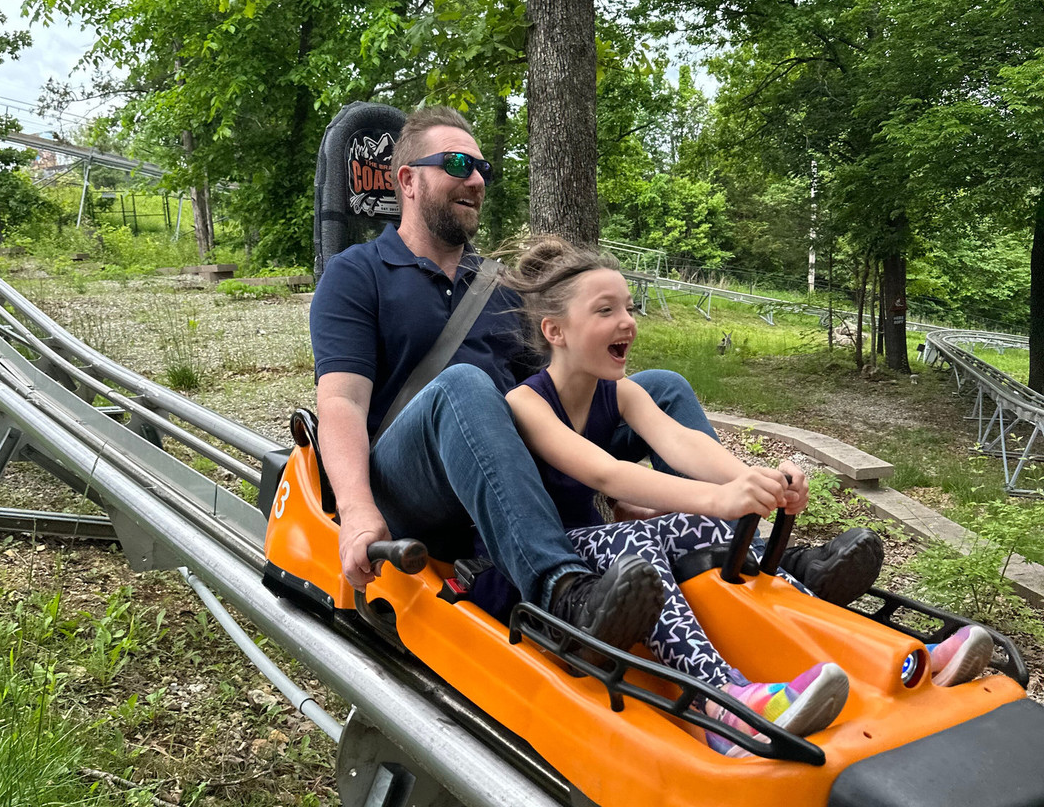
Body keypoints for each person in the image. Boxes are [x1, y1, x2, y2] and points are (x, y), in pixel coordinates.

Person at [309, 105, 882, 658]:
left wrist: (624, 490)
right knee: (465, 386)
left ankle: (753, 549)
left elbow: (552, 394)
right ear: (407, 180)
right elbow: (341, 401)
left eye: (483, 168)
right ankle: (564, 591)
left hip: (501, 464)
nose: (476, 179)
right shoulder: (357, 274)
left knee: (660, 386)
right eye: (458, 165)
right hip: (414, 482)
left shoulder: (500, 287)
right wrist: (358, 511)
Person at [502, 238, 995, 755]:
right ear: (554, 331)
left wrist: (756, 482)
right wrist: (718, 499)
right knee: (654, 540)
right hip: (558, 556)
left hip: (599, 538)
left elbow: (682, 442)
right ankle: (718, 700)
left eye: (629, 306)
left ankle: (880, 652)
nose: (627, 320)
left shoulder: (621, 391)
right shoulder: (526, 402)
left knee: (711, 529)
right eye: (605, 310)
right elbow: (607, 474)